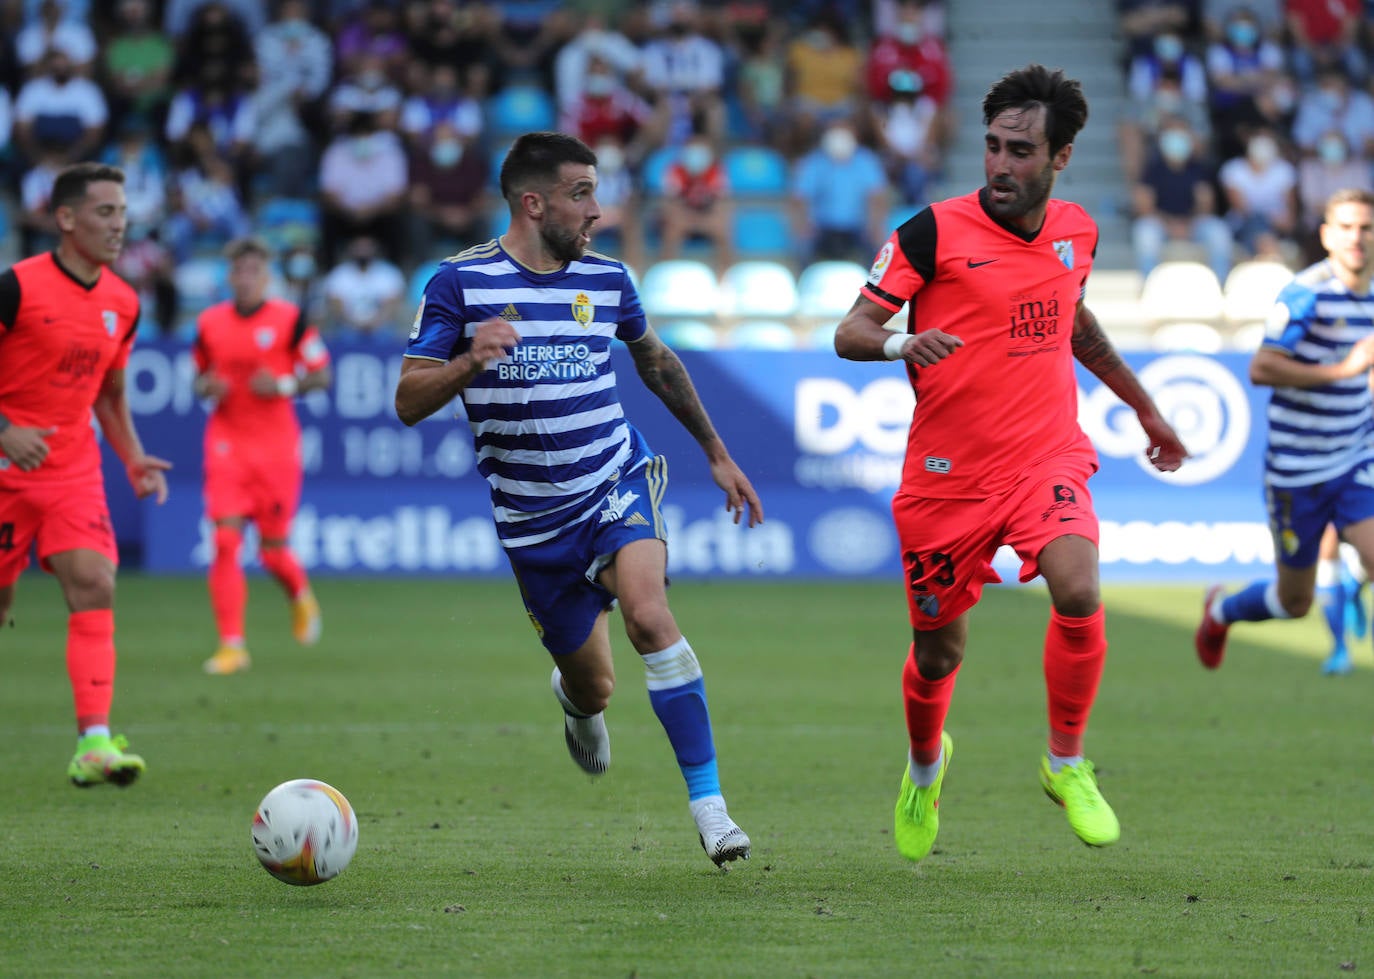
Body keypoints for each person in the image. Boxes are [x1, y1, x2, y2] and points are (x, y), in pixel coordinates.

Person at [833, 64, 1188, 862]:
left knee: (1080, 585)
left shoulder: (1077, 231)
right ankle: (926, 768)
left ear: (1059, 158)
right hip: (946, 479)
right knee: (938, 652)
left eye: (1021, 150)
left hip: (1044, 457)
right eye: (993, 146)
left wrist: (1143, 405)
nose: (1000, 163)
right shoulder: (929, 231)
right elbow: (849, 331)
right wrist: (901, 341)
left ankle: (1065, 761)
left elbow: (1074, 320)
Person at [394, 131, 764, 868]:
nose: (598, 211)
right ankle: (575, 698)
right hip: (533, 522)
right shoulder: (459, 284)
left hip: (615, 478)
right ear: (533, 203)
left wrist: (717, 453)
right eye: (581, 194)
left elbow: (654, 359)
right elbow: (407, 399)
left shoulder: (608, 279)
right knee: (597, 686)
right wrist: (470, 359)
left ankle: (711, 806)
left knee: (650, 614)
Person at [0, 161, 171, 787]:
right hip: (4, 469)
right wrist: (5, 430)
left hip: (71, 470)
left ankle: (94, 742)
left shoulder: (123, 303)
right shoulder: (15, 288)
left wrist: (132, 456)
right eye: (105, 212)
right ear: (66, 218)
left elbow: (109, 392)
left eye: (123, 213)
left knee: (96, 582)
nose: (119, 225)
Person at [1196, 188, 1374, 672]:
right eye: (1346, 227)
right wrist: (1342, 371)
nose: (1357, 237)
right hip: (1297, 471)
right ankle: (1221, 611)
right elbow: (1262, 368)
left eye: (1366, 228)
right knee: (1294, 600)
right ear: (1326, 236)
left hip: (1357, 458)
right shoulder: (1305, 294)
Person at [191, 236, 330, 675]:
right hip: (226, 442)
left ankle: (299, 595)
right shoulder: (210, 323)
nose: (246, 278)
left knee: (272, 552)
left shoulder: (289, 320)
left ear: (266, 276)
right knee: (225, 541)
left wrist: (285, 385)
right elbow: (198, 379)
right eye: (239, 271)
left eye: (254, 271)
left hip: (275, 449)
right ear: (230, 276)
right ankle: (232, 645)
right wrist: (206, 388)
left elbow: (321, 375)